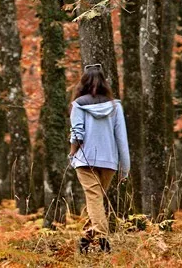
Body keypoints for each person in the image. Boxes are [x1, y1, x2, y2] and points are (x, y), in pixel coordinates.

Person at [69, 63, 130, 253]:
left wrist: (72, 153)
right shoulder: (115, 107)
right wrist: (124, 167)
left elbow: (77, 135)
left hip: (85, 161)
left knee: (94, 200)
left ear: (83, 83)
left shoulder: (78, 105)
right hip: (109, 162)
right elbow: (122, 138)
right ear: (105, 83)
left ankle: (104, 240)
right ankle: (85, 241)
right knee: (95, 200)